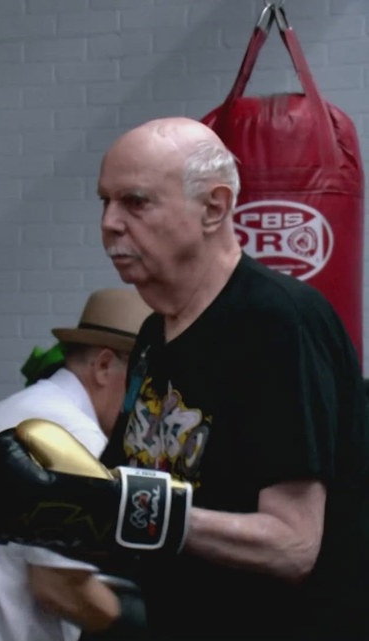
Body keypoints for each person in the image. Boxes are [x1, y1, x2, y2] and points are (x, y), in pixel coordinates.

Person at [94, 117, 369, 640]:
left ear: (214, 208)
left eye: (135, 202)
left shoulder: (280, 322)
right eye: (104, 201)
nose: (109, 223)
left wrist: (139, 512)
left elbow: (292, 544)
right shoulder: (155, 332)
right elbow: (126, 488)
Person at [0, 287, 153, 641]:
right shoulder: (70, 438)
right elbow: (59, 587)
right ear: (105, 366)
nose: (149, 401)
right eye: (147, 380)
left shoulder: (21, 409)